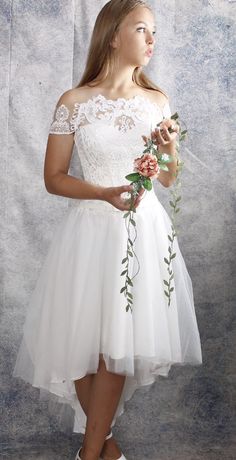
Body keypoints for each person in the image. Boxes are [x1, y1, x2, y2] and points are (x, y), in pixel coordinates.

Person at [13, 1, 203, 459]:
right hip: (89, 232)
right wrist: (102, 194)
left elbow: (169, 177)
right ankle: (106, 448)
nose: (152, 40)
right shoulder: (73, 102)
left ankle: (89, 453)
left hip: (141, 232)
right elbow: (54, 178)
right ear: (113, 36)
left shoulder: (156, 102)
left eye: (154, 31)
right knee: (76, 344)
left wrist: (171, 148)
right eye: (142, 30)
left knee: (115, 347)